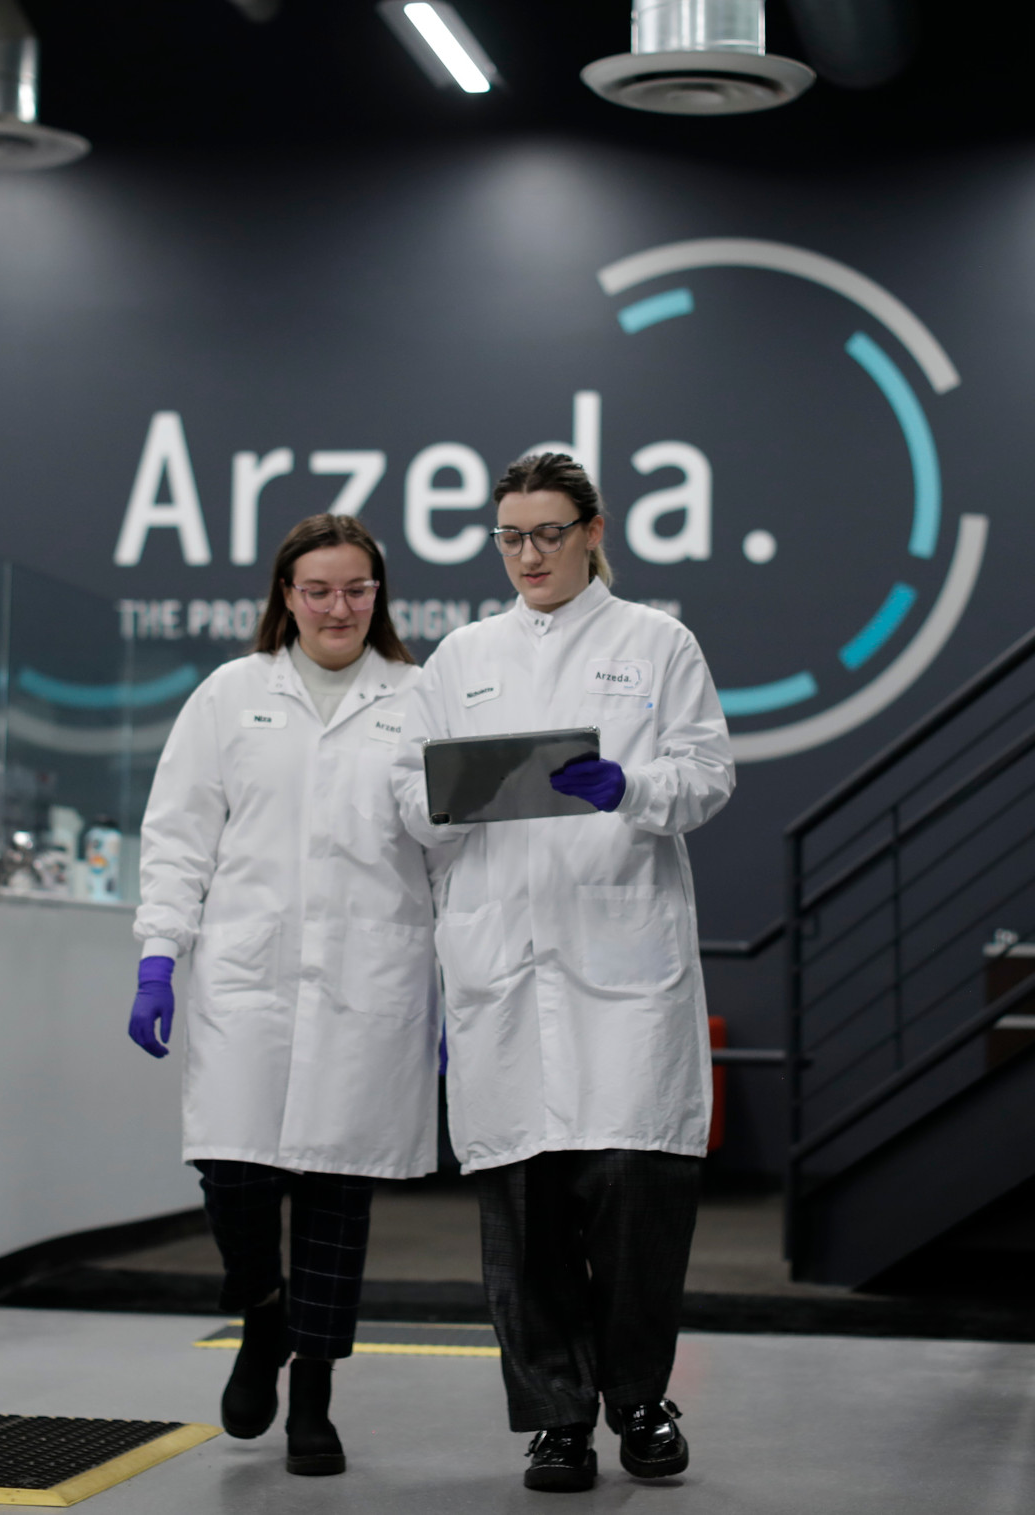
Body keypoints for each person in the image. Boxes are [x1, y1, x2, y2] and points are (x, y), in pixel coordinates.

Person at [390, 451, 735, 1493]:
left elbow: (706, 775)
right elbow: (406, 794)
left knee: (635, 1190)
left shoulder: (657, 643)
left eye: (548, 533)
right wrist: (452, 794)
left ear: (592, 531)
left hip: (622, 960)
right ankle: (556, 1418)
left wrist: (628, 785)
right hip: (503, 964)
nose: (528, 555)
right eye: (510, 537)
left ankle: (637, 1399)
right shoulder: (463, 656)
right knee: (525, 1205)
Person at [125, 512, 437, 1478]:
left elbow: (452, 856)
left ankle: (314, 1396)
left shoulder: (419, 699)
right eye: (319, 589)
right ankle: (264, 1315)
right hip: (247, 977)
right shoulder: (231, 694)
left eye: (357, 589)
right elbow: (179, 834)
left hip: (368, 980)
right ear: (287, 597)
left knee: (338, 1193)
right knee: (234, 1173)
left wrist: (458, 990)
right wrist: (158, 955)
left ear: (378, 595)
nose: (339, 607)